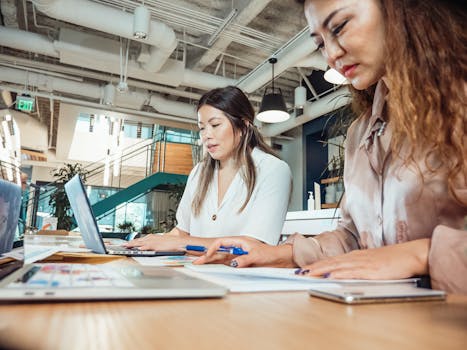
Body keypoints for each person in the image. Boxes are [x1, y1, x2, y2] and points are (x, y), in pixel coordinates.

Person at [195, 0, 467, 294]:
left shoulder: (458, 105)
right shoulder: (360, 133)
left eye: (340, 27)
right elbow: (352, 238)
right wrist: (280, 254)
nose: (332, 55)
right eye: (321, 43)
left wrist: (423, 255)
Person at [125, 86, 292, 251]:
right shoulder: (199, 172)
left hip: (241, 274)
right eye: (202, 128)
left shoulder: (273, 170)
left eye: (215, 125)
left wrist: (179, 243)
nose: (206, 135)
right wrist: (148, 242)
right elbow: (182, 231)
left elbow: (255, 246)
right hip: (194, 272)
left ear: (243, 126)